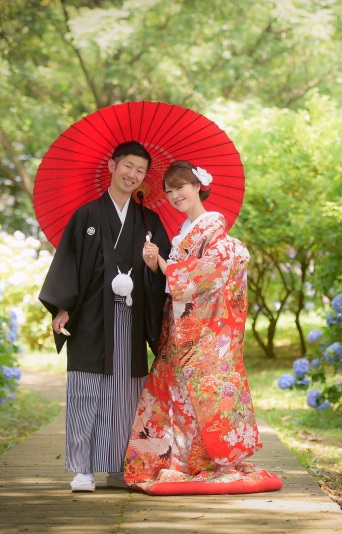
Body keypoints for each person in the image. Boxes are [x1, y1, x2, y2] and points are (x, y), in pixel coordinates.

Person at [122, 160, 282, 495]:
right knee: (174, 396)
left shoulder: (217, 235)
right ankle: (178, 461)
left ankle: (201, 462)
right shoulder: (183, 235)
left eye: (180, 186)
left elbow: (205, 276)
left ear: (197, 186)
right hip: (181, 332)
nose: (174, 195)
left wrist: (164, 265)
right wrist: (155, 266)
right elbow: (174, 287)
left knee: (201, 398)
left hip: (207, 333)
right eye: (168, 190)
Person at [38, 141, 171, 492]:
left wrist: (153, 263)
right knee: (86, 389)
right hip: (92, 316)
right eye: (128, 165)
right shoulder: (86, 216)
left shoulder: (149, 221)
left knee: (126, 394)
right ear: (112, 166)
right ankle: (83, 468)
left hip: (131, 317)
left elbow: (167, 273)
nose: (133, 174)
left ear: (145, 177)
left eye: (140, 170)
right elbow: (68, 262)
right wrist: (62, 307)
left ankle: (118, 467)